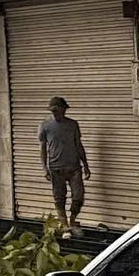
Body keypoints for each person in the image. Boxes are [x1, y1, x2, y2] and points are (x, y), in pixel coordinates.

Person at [38, 95, 90, 236]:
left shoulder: (73, 125)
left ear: (64, 110)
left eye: (57, 110)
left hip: (73, 167)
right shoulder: (45, 126)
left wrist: (85, 164)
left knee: (78, 196)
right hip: (56, 168)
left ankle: (73, 220)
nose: (55, 114)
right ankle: (65, 225)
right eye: (52, 111)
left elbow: (78, 145)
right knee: (59, 197)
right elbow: (42, 148)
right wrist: (44, 168)